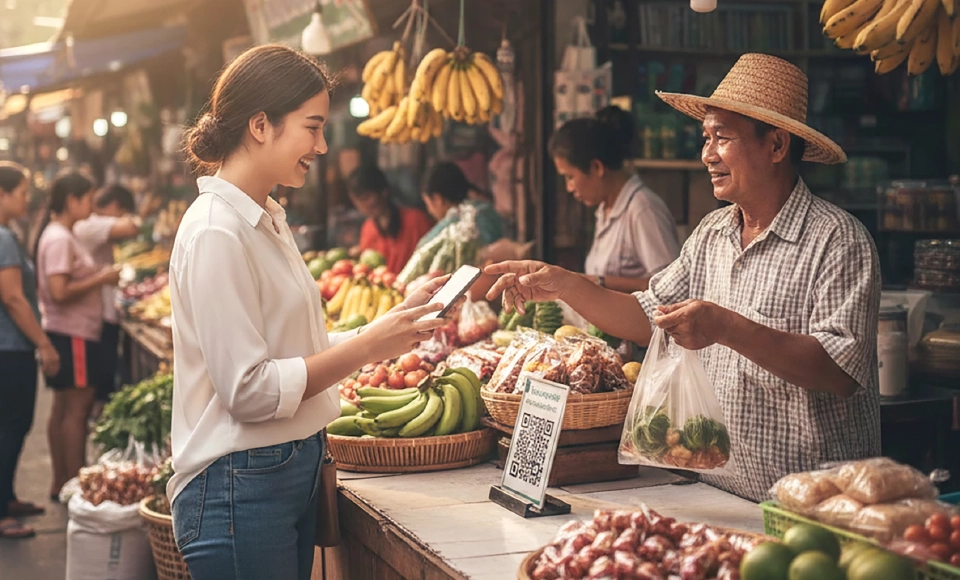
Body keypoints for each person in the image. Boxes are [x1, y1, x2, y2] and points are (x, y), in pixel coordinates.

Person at [485, 54, 882, 503]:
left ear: (776, 145)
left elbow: (839, 370)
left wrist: (725, 327)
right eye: (706, 138)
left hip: (812, 508)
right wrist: (565, 283)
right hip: (718, 495)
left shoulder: (838, 240)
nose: (707, 154)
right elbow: (646, 315)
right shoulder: (712, 233)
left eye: (722, 138)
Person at [170, 44, 446, 580]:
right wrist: (368, 347)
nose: (321, 146)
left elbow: (296, 351)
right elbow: (248, 391)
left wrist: (387, 327)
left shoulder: (266, 218)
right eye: (312, 127)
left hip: (280, 473)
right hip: (239, 488)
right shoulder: (216, 232)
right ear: (260, 125)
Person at [35, 172, 121, 499]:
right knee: (77, 410)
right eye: (87, 199)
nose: (91, 206)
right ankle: (75, 484)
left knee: (63, 408)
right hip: (74, 335)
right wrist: (102, 278)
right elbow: (59, 291)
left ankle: (62, 482)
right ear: (72, 201)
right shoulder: (60, 238)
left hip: (68, 332)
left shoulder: (59, 234)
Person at [552, 106, 679, 293]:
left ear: (597, 167)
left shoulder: (643, 209)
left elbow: (672, 286)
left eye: (570, 177)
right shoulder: (605, 210)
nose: (569, 188)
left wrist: (597, 282)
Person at [0, 162, 60, 539]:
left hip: (10, 346)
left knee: (14, 424)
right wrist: (43, 343)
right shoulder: (4, 238)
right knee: (11, 425)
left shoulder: (9, 234)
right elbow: (12, 297)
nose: (26, 199)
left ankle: (7, 498)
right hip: (10, 348)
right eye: (21, 192)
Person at [73, 185, 141, 416]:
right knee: (99, 385)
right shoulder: (90, 225)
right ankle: (96, 420)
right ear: (115, 206)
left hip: (100, 313)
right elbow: (131, 227)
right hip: (99, 316)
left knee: (101, 382)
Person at [348, 164, 433, 274]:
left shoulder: (417, 220)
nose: (362, 206)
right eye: (356, 201)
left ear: (383, 192)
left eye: (366, 198)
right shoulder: (367, 229)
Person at [418, 161, 505, 249]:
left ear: (438, 199)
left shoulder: (433, 241)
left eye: (427, 204)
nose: (430, 211)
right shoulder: (490, 211)